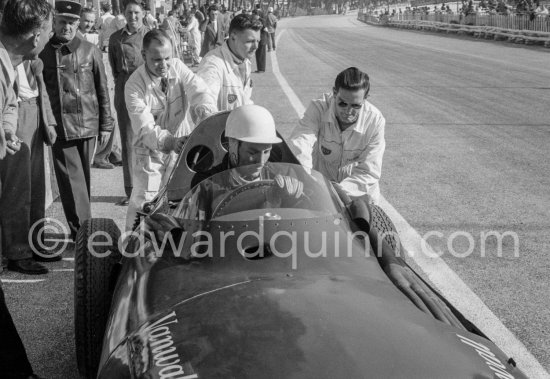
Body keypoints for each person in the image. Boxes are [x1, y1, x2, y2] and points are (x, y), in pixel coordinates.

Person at [0, 0, 53, 376]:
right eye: (48, 31)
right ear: (35, 35)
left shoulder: (9, 62)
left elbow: (8, 105)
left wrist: (5, 127)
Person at [124, 30, 217, 231]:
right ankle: (130, 250)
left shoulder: (178, 67)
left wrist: (204, 110)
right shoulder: (134, 85)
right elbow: (144, 127)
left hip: (180, 148)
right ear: (143, 55)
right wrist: (170, 142)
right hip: (150, 151)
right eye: (156, 59)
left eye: (167, 58)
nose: (163, 65)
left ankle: (172, 249)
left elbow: (199, 90)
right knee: (144, 203)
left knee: (179, 201)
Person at [40, 0, 113, 240]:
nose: (67, 27)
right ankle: (84, 232)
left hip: (88, 124)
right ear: (54, 21)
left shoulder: (89, 50)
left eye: (72, 23)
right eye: (63, 22)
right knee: (72, 183)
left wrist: (106, 124)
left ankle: (81, 230)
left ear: (78, 23)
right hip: (61, 126)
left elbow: (102, 89)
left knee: (82, 185)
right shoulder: (42, 52)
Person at [289, 67, 385, 204]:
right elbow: (300, 143)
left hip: (357, 193)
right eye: (342, 103)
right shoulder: (319, 107)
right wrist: (306, 180)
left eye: (356, 106)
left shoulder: (375, 121)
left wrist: (339, 191)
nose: (348, 111)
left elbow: (369, 171)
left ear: (365, 99)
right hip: (321, 190)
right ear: (334, 93)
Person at [109, 0, 149, 205]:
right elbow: (115, 69)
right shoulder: (116, 38)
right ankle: (131, 190)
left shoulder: (151, 36)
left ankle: (153, 189)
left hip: (148, 89)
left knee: (151, 138)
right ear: (123, 14)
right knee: (128, 142)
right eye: (129, 13)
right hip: (124, 88)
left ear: (143, 14)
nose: (133, 16)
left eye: (136, 13)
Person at [196, 13, 262, 111]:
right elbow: (204, 105)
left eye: (258, 41)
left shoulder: (244, 60)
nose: (256, 47)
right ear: (233, 37)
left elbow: (244, 99)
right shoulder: (212, 65)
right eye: (250, 41)